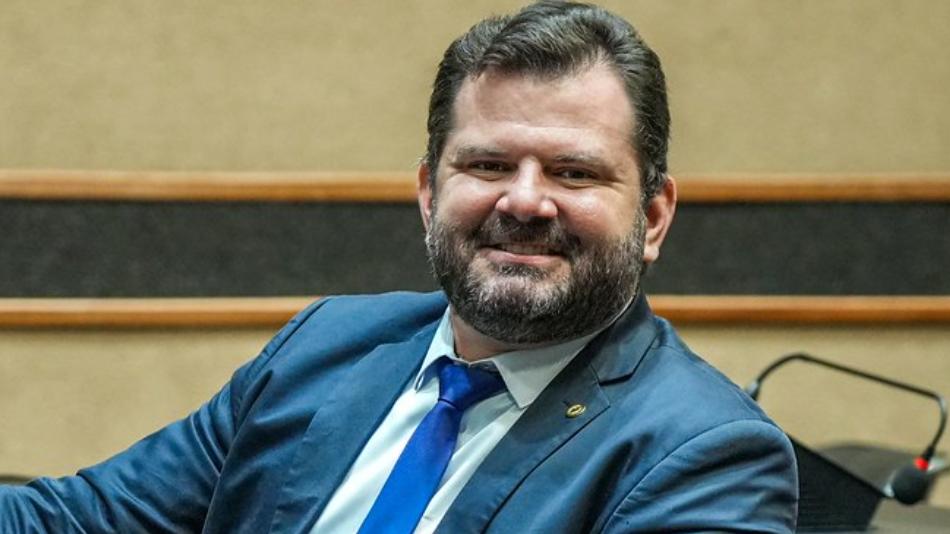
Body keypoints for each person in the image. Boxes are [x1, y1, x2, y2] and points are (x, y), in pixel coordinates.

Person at [1, 1, 798, 532]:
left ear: (652, 217)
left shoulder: (706, 453)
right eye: (486, 164)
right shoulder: (325, 346)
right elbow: (74, 521)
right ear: (428, 192)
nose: (525, 201)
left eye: (573, 172)